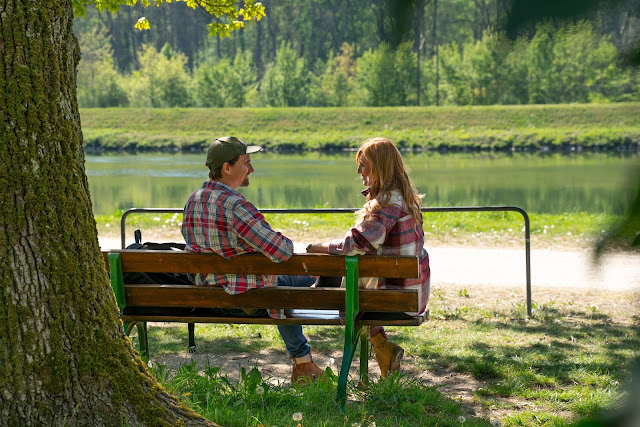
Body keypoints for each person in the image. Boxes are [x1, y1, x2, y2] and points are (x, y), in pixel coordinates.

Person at [181, 136, 323, 385]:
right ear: (227, 168)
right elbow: (282, 250)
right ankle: (304, 363)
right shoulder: (236, 206)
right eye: (246, 163)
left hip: (207, 297)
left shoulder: (192, 200)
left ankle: (304, 362)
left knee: (285, 282)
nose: (252, 169)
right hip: (246, 298)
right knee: (300, 277)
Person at [306, 137, 430, 378]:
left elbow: (355, 243)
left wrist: (316, 247)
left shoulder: (387, 203)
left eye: (363, 165)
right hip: (412, 294)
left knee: (346, 293)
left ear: (379, 167)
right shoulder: (404, 198)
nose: (358, 171)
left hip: (395, 298)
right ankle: (382, 346)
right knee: (352, 282)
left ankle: (376, 350)